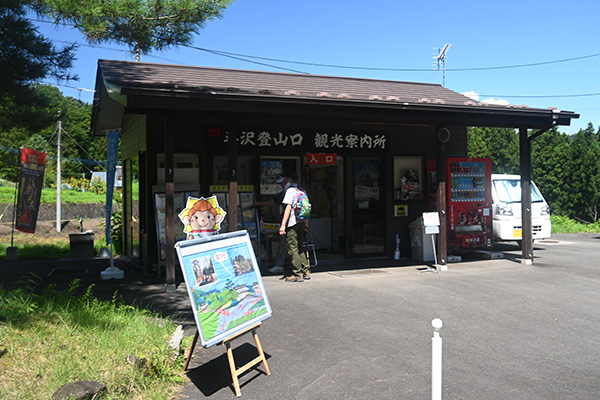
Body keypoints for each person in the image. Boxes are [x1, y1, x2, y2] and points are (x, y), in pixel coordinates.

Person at [253, 176, 289, 275]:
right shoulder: (298, 190)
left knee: (284, 244)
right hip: (298, 223)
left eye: (282, 183)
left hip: (289, 223)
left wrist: (259, 203)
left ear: (287, 181)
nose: (281, 185)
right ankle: (300, 267)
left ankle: (280, 265)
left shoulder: (287, 192)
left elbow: (273, 202)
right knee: (293, 244)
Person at [279, 170, 310, 282]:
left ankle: (297, 274)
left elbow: (287, 208)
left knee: (293, 248)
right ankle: (306, 271)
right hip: (302, 222)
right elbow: (306, 208)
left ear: (290, 180)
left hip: (292, 223)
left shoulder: (290, 191)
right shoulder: (302, 190)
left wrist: (283, 225)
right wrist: (306, 224)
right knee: (300, 247)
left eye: (285, 179)